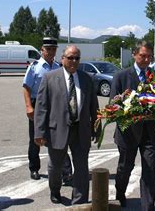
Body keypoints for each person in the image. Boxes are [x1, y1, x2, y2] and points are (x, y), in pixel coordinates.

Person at [33, 45, 99, 205]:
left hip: (80, 130)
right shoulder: (49, 78)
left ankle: (80, 201)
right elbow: (41, 107)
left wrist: (96, 128)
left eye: (77, 58)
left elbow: (93, 106)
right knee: (55, 167)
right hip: (57, 130)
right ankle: (55, 190)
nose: (74, 61)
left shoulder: (86, 78)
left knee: (82, 168)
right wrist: (39, 132)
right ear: (62, 59)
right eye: (70, 57)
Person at [111, 41, 155, 210]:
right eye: (142, 56)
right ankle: (120, 194)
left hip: (149, 133)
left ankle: (148, 206)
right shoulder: (121, 76)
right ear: (134, 55)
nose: (145, 59)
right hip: (127, 133)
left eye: (148, 56)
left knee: (150, 169)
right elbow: (112, 105)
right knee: (125, 168)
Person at [22, 37, 72, 183]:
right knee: (35, 139)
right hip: (37, 104)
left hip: (55, 105)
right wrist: (28, 106)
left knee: (60, 137)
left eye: (53, 49)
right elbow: (26, 87)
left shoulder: (59, 67)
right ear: (42, 50)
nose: (50, 52)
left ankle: (66, 171)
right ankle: (34, 168)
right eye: (48, 49)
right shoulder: (34, 67)